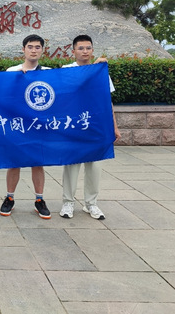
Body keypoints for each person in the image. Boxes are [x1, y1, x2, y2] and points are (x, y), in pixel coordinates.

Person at [60, 34, 121, 220]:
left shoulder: (101, 72)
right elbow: (74, 87)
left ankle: (91, 204)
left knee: (95, 166)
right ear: (73, 51)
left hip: (96, 125)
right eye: (81, 48)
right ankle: (68, 202)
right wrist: (94, 67)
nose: (85, 51)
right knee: (72, 165)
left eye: (88, 48)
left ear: (92, 50)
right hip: (74, 125)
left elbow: (107, 101)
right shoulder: (67, 70)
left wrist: (114, 126)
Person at [0, 34, 52, 219]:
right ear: (23, 49)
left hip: (38, 125)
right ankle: (9, 197)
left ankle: (39, 200)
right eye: (30, 47)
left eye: (37, 47)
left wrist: (97, 65)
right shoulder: (12, 71)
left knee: (37, 163)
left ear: (42, 50)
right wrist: (16, 79)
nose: (34, 50)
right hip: (18, 125)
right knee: (14, 163)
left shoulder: (48, 72)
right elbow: (3, 95)